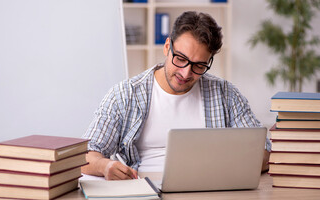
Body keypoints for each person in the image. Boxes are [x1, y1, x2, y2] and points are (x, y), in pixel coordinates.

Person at [82, 11, 271, 180]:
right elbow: (85, 156)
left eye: (199, 66)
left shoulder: (226, 95)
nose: (186, 73)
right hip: (143, 188)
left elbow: (264, 152)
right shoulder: (124, 95)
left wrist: (228, 167)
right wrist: (105, 166)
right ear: (167, 47)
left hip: (210, 188)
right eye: (180, 59)